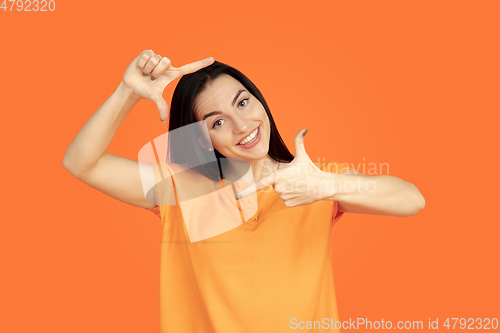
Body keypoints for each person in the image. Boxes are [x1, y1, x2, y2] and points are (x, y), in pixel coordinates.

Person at [63, 49, 425, 332]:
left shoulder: (312, 181)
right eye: (217, 122)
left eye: (243, 102)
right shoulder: (182, 190)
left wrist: (326, 186)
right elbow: (82, 163)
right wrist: (127, 92)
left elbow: (411, 199)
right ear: (204, 140)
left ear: (258, 99)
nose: (241, 125)